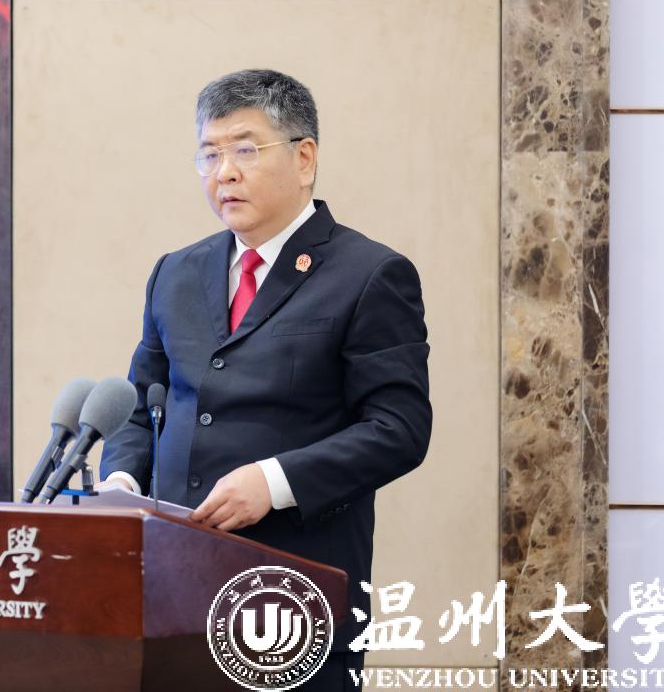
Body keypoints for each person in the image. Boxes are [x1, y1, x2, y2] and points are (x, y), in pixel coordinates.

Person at [98, 68, 433, 687]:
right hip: (169, 593)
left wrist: (275, 482)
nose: (223, 172)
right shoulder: (176, 272)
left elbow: (400, 429)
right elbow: (140, 407)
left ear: (304, 158)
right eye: (209, 154)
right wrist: (121, 480)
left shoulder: (370, 274)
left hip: (290, 596)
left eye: (245, 150)